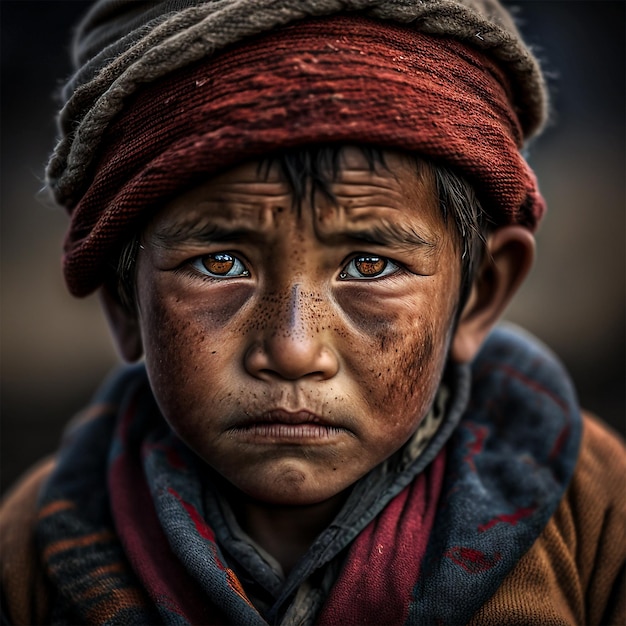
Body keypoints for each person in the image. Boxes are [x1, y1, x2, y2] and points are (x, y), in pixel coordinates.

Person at [1, 0, 624, 624]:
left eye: (370, 267)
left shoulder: (599, 508)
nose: (295, 350)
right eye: (221, 264)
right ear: (124, 304)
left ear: (481, 293)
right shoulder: (34, 544)